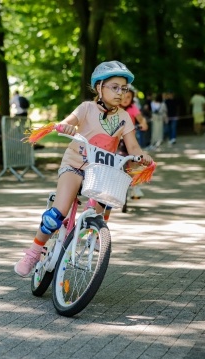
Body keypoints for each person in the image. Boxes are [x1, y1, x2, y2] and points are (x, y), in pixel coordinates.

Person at [14, 60, 154, 277]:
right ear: (99, 88)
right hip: (75, 165)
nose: (120, 93)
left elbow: (133, 147)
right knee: (55, 215)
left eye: (123, 89)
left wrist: (141, 156)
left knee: (103, 206)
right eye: (114, 87)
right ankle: (33, 252)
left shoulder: (124, 117)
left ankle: (94, 234)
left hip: (101, 171)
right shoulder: (87, 108)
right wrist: (67, 125)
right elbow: (68, 121)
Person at [119, 86, 149, 199]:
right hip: (116, 138)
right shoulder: (115, 108)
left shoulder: (133, 108)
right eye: (123, 96)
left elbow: (141, 119)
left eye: (129, 97)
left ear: (132, 98)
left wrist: (143, 124)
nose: (125, 99)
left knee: (134, 161)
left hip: (129, 138)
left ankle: (135, 187)